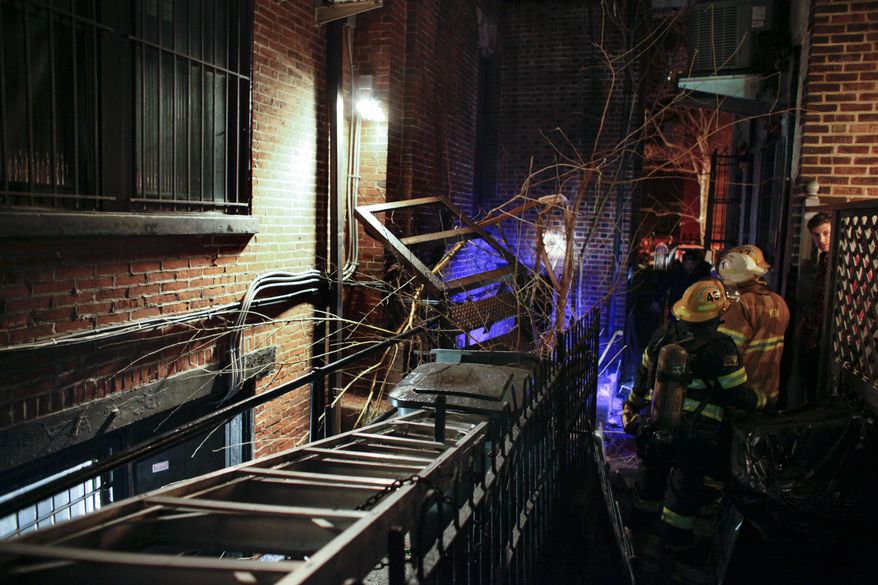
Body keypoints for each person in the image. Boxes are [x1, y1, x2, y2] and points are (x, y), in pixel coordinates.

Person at [622, 279, 765, 550]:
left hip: (656, 424)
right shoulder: (723, 348)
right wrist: (761, 401)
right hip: (698, 433)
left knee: (651, 477)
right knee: (684, 487)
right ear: (718, 313)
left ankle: (637, 534)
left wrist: (632, 408)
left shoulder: (662, 335)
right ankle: (673, 543)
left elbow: (641, 379)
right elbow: (737, 395)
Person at [717, 246, 790, 410]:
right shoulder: (779, 301)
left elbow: (726, 351)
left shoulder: (740, 305)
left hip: (745, 395)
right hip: (770, 392)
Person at [798, 212, 832, 400]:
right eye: (817, 235)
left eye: (826, 233)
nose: (822, 240)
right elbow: (814, 298)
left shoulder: (837, 260)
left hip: (826, 332)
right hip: (814, 330)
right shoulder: (824, 259)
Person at [650, 248, 711, 322]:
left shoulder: (701, 275)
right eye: (687, 263)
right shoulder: (675, 273)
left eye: (692, 264)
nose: (689, 266)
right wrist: (656, 300)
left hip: (693, 309)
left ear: (696, 263)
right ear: (683, 263)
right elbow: (664, 286)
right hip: (676, 307)